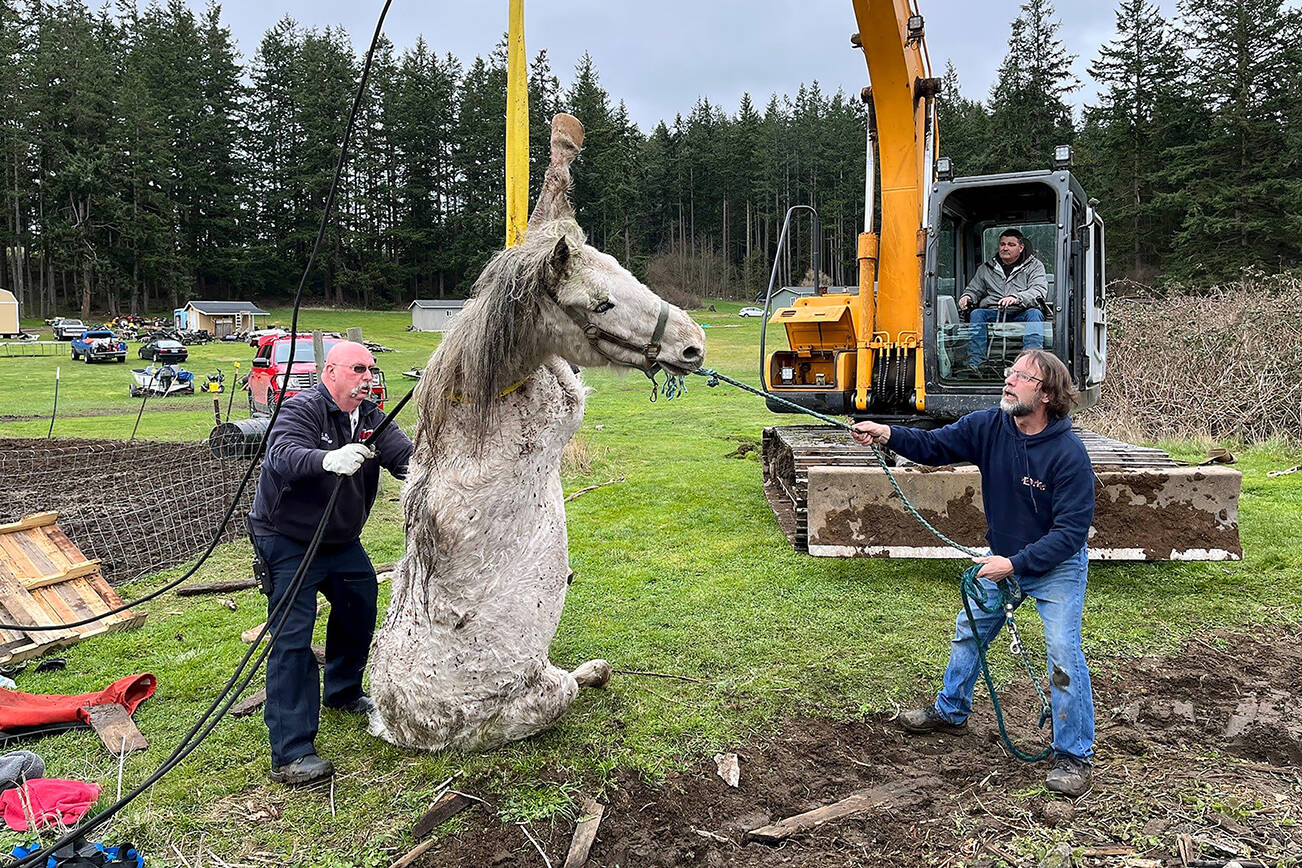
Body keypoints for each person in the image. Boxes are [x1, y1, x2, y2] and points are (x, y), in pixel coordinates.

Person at [850, 349, 1096, 797]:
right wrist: (887, 432)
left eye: (1021, 376)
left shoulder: (1068, 454)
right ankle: (951, 711)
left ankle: (1074, 755)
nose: (1009, 380)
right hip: (1001, 559)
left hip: (1054, 567)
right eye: (1011, 372)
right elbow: (935, 445)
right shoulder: (989, 426)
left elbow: (1071, 533)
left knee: (1062, 653)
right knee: (970, 631)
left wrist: (1015, 564)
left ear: (1045, 394)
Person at [248, 340, 413, 786]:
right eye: (359, 369)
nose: (368, 378)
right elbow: (282, 456)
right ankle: (292, 752)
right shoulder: (301, 410)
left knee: (359, 602)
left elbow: (408, 458)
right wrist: (327, 459)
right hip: (287, 539)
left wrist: (435, 475)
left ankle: (342, 692)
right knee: (293, 637)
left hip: (340, 540)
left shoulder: (373, 420)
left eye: (372, 370)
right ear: (331, 371)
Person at [957, 228, 1047, 374]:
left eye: (1011, 244)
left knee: (1035, 314)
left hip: (1022, 312)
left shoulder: (1035, 266)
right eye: (1002, 244)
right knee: (977, 314)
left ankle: (1032, 365)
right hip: (995, 313)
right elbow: (974, 289)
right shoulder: (986, 268)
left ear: (1021, 247)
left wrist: (1016, 298)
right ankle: (975, 365)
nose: (1005, 248)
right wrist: (967, 297)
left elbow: (1038, 291)